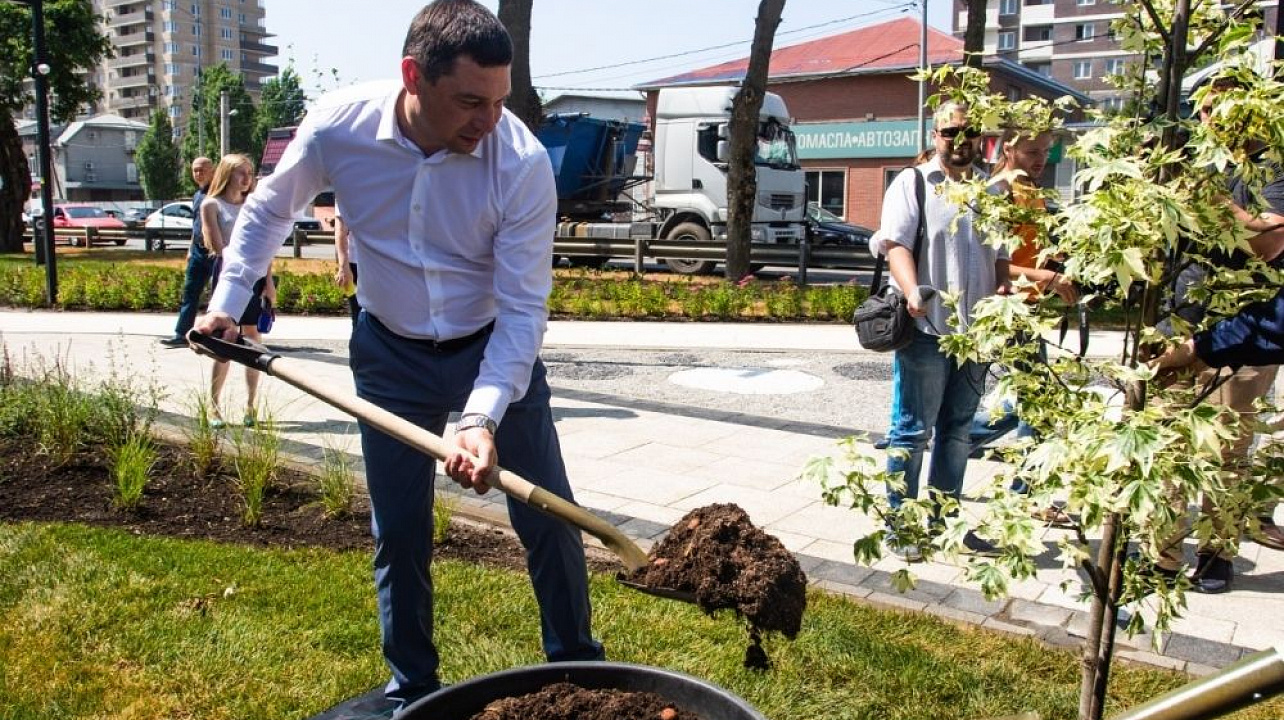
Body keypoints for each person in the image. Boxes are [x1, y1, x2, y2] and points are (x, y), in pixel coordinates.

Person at [193, 1, 603, 711]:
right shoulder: (338, 126)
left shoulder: (521, 161)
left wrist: (480, 418)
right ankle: (413, 690)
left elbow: (524, 309)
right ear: (414, 76)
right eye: (470, 101)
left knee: (552, 518)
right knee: (400, 531)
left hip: (490, 348)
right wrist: (230, 302)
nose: (489, 119)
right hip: (389, 352)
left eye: (500, 100)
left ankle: (576, 673)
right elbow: (267, 211)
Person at [1146, 82, 1284, 590]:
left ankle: (1216, 552)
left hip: (1242, 335)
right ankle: (1161, 556)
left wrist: (1214, 199)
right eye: (1202, 108)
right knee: (1166, 452)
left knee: (1227, 451)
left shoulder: (1271, 168)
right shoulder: (1194, 166)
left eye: (1219, 107)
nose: (1209, 117)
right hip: (1175, 329)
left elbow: (1268, 244)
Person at [879, 103, 1011, 562]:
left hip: (977, 332)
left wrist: (1006, 292)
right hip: (927, 329)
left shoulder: (989, 191)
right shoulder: (913, 183)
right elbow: (894, 244)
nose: (962, 139)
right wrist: (912, 290)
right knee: (913, 431)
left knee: (957, 433)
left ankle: (944, 523)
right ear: (936, 135)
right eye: (952, 131)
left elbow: (998, 257)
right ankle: (900, 525)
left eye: (970, 130)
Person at [200, 153, 274, 429]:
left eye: (249, 172)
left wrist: (268, 281)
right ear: (227, 174)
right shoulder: (212, 205)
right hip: (227, 275)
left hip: (255, 277)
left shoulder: (252, 206)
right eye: (240, 172)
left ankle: (251, 406)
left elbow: (264, 246)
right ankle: (214, 407)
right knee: (224, 341)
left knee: (254, 338)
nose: (246, 178)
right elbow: (217, 246)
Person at [159, 157, 215, 347]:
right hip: (199, 250)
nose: (198, 174)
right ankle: (181, 334)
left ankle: (216, 335)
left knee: (218, 295)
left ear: (213, 170)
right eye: (195, 170)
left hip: (216, 250)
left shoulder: (219, 193)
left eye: (202, 170)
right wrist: (190, 248)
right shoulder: (197, 195)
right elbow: (195, 225)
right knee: (190, 291)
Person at [333, 207, 361, 326]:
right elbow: (340, 232)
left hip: (381, 263)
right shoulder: (345, 189)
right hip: (354, 264)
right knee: (358, 313)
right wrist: (343, 267)